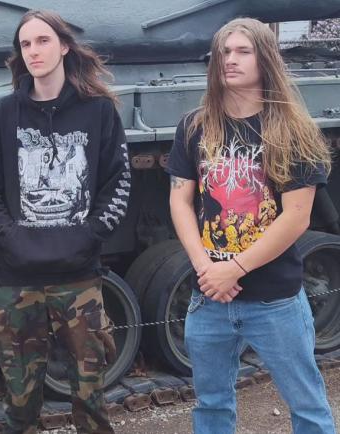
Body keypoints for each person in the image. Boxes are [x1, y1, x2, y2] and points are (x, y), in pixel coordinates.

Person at [167, 18, 336, 434]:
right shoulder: (194, 125)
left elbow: (296, 216)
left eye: (243, 51)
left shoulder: (292, 130)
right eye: (225, 52)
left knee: (307, 405)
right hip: (209, 297)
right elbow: (180, 200)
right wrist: (207, 269)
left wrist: (235, 269)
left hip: (274, 299)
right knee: (210, 405)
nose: (231, 59)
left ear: (266, 60)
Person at [0, 9, 130, 434]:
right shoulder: (4, 114)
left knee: (91, 397)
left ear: (63, 47)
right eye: (25, 44)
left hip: (79, 278)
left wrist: (89, 235)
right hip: (17, 278)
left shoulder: (99, 112)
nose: (34, 51)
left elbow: (117, 182)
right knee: (19, 401)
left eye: (43, 41)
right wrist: (9, 237)